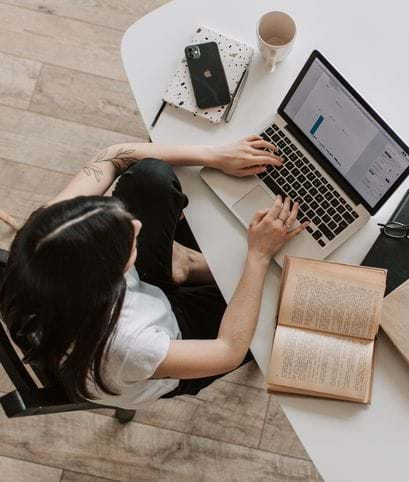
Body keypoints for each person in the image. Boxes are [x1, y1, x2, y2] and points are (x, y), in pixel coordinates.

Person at [0, 136, 307, 409]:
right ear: (109, 278)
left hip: (121, 307)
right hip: (171, 344)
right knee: (287, 302)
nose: (136, 225)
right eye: (126, 241)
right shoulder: (131, 344)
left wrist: (214, 155)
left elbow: (111, 156)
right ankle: (185, 267)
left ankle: (181, 266)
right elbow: (228, 350)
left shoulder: (44, 237)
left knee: (149, 177)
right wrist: (257, 256)